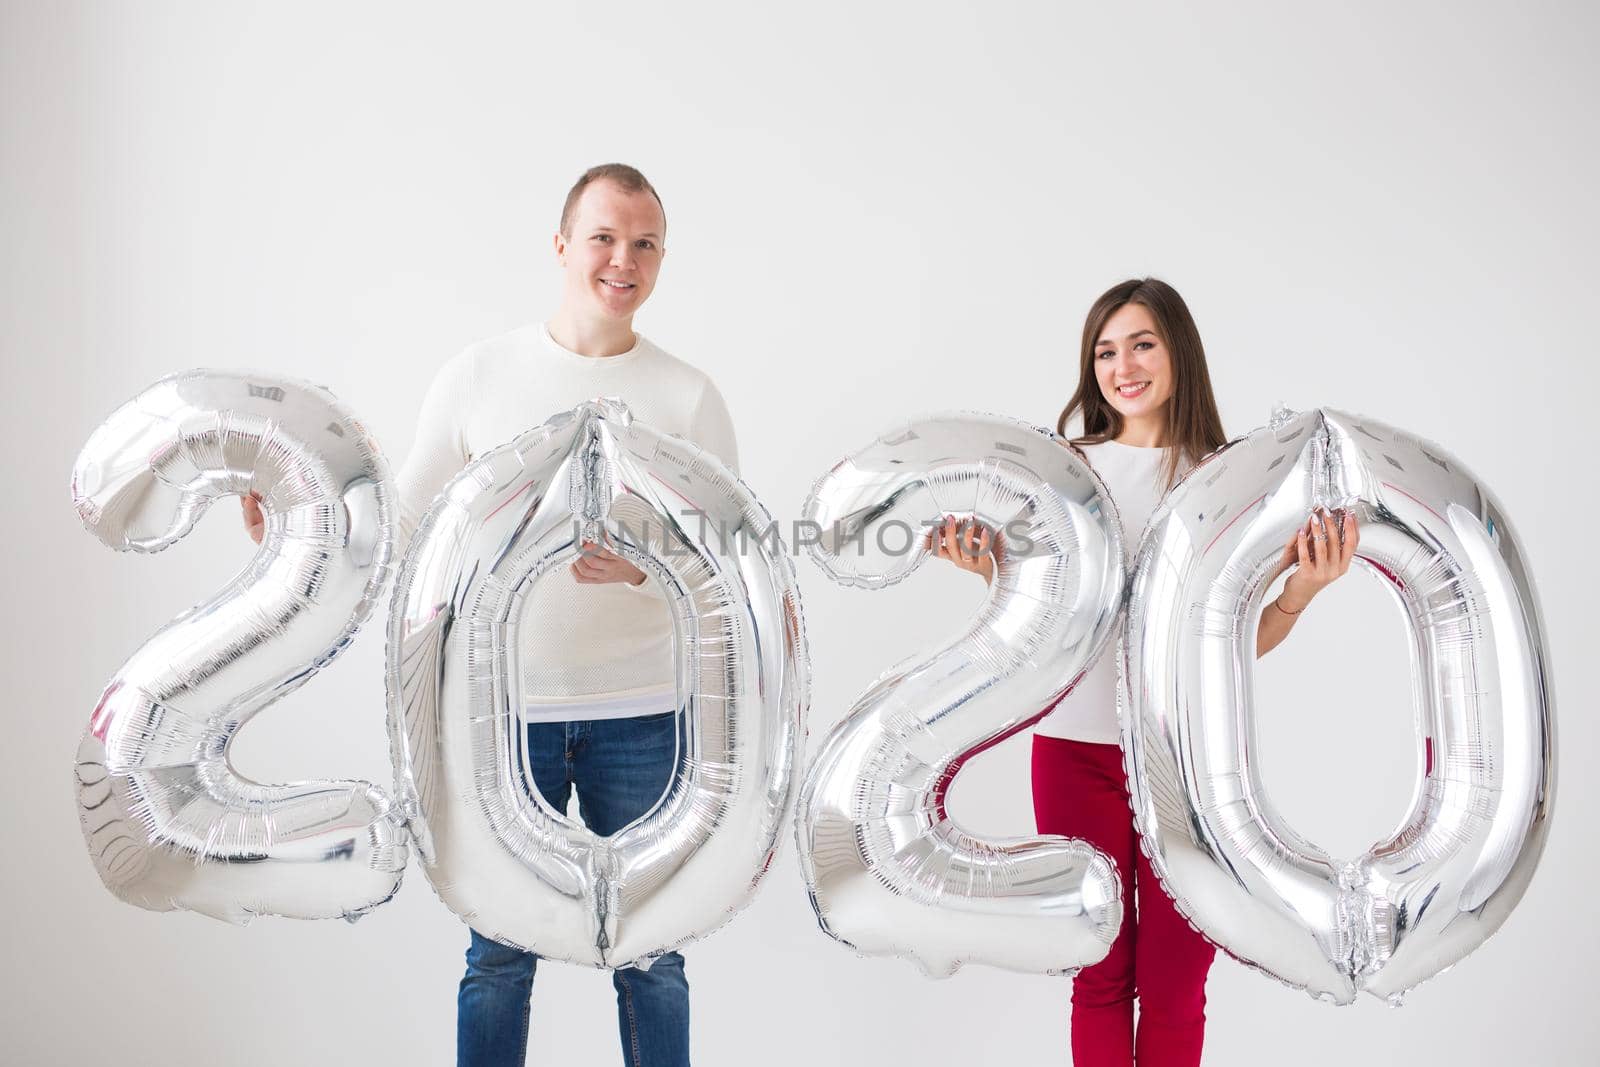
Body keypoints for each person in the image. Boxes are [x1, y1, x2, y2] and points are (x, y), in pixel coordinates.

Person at [243, 163, 735, 1067]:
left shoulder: (688, 395)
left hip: (645, 713)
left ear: (662, 259)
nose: (622, 259)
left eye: (644, 243)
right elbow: (404, 519)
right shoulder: (480, 374)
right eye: (602, 236)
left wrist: (645, 570)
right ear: (561, 245)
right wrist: (296, 500)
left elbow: (727, 560)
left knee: (653, 953)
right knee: (498, 954)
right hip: (504, 718)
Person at [930, 277, 1358, 1066]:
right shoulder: (1064, 470)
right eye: (1104, 351)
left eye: (1142, 344)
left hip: (1188, 767)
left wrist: (1302, 589)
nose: (1122, 366)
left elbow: (1236, 638)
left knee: (1176, 982)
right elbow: (1060, 618)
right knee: (1098, 971)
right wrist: (992, 570)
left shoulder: (1230, 478)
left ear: (1178, 352)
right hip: (1073, 750)